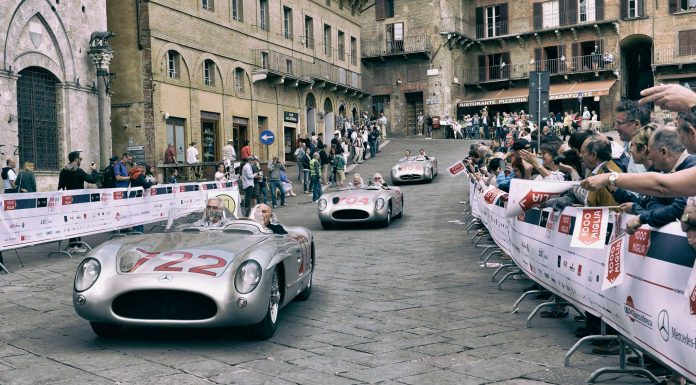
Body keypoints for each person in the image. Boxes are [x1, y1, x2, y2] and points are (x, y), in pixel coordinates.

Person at [58, 151, 99, 253]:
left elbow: (60, 187)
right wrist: (94, 170)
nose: (80, 160)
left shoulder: (64, 171)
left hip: (68, 201)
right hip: (78, 201)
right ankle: (78, 245)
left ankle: (72, 245)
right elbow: (93, 180)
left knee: (71, 222)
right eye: (80, 159)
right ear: (76, 159)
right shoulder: (78, 171)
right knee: (78, 221)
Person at [128, 163, 154, 233]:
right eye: (145, 169)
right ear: (142, 168)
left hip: (133, 197)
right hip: (138, 197)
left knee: (135, 214)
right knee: (139, 214)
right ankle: (139, 230)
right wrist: (152, 182)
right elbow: (146, 185)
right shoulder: (139, 174)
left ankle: (135, 229)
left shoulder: (133, 173)